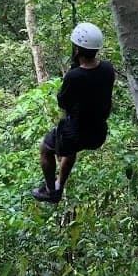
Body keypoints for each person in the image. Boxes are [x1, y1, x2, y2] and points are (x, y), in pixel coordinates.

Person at [31, 22, 115, 203]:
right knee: (70, 148)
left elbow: (63, 102)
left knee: (46, 149)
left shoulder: (74, 76)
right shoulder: (108, 68)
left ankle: (50, 190)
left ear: (77, 50)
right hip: (98, 132)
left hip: (77, 132)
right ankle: (60, 184)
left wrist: (72, 69)